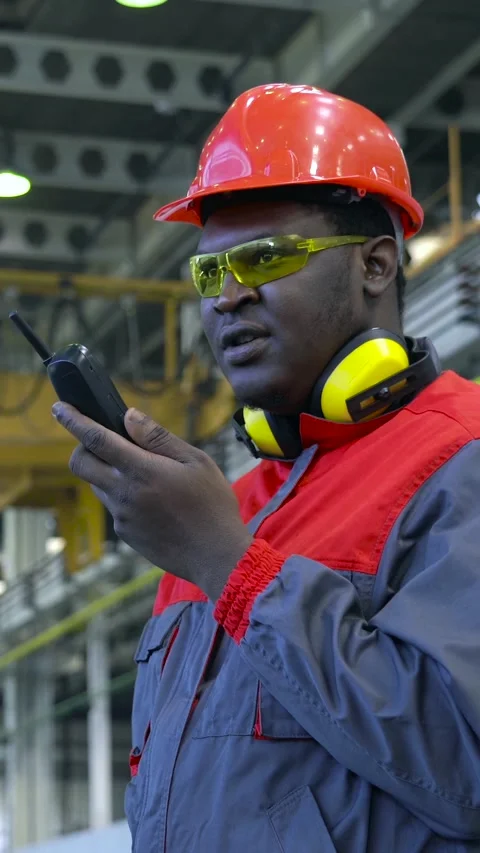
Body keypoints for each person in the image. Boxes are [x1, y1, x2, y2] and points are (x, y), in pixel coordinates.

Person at [53, 84, 480, 852]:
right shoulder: (223, 505)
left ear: (377, 264)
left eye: (265, 258)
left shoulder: (461, 454)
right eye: (210, 274)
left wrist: (234, 566)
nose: (228, 297)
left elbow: (465, 772)